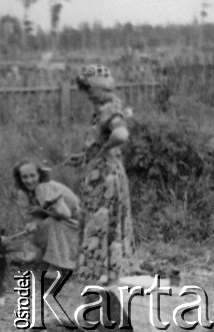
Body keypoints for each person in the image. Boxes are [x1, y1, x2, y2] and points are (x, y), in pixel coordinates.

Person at [69, 64, 137, 286]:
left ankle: (111, 282)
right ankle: (105, 279)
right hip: (98, 177)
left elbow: (121, 133)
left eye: (90, 89)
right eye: (86, 89)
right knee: (100, 225)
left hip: (106, 179)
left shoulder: (110, 108)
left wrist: (104, 151)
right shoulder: (101, 110)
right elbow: (101, 140)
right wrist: (85, 156)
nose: (87, 94)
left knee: (105, 225)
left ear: (102, 89)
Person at [12, 160, 81, 273]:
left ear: (40, 175)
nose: (29, 180)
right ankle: (52, 257)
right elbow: (35, 215)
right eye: (24, 177)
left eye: (32, 175)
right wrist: (33, 223)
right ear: (19, 178)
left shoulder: (45, 188)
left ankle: (62, 264)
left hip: (75, 225)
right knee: (34, 232)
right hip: (60, 221)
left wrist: (40, 217)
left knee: (50, 224)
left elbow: (63, 215)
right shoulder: (24, 193)